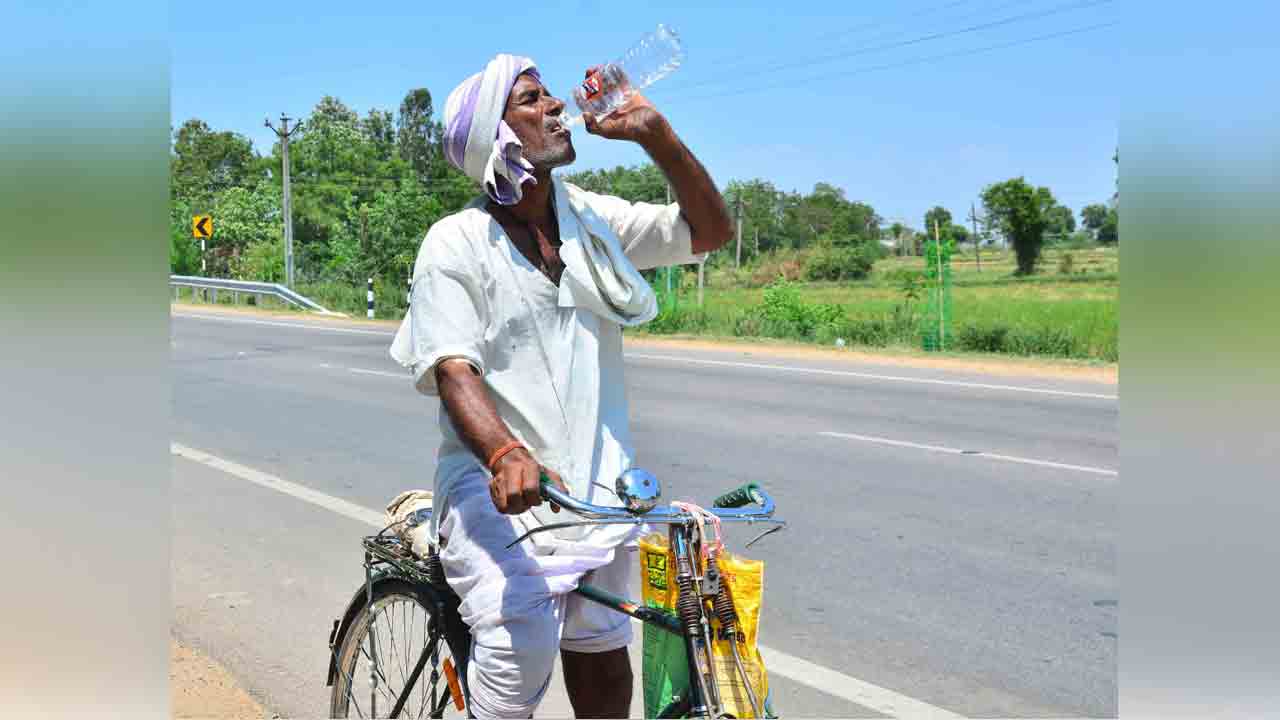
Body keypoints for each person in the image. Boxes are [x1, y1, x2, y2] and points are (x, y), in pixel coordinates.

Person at [390, 53, 732, 719]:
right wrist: (504, 454)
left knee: (604, 645)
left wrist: (657, 136)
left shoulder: (589, 219)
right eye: (530, 100)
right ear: (497, 137)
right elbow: (452, 367)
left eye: (550, 95)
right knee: (521, 639)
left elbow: (710, 232)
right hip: (498, 489)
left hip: (597, 487)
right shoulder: (456, 242)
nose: (554, 106)